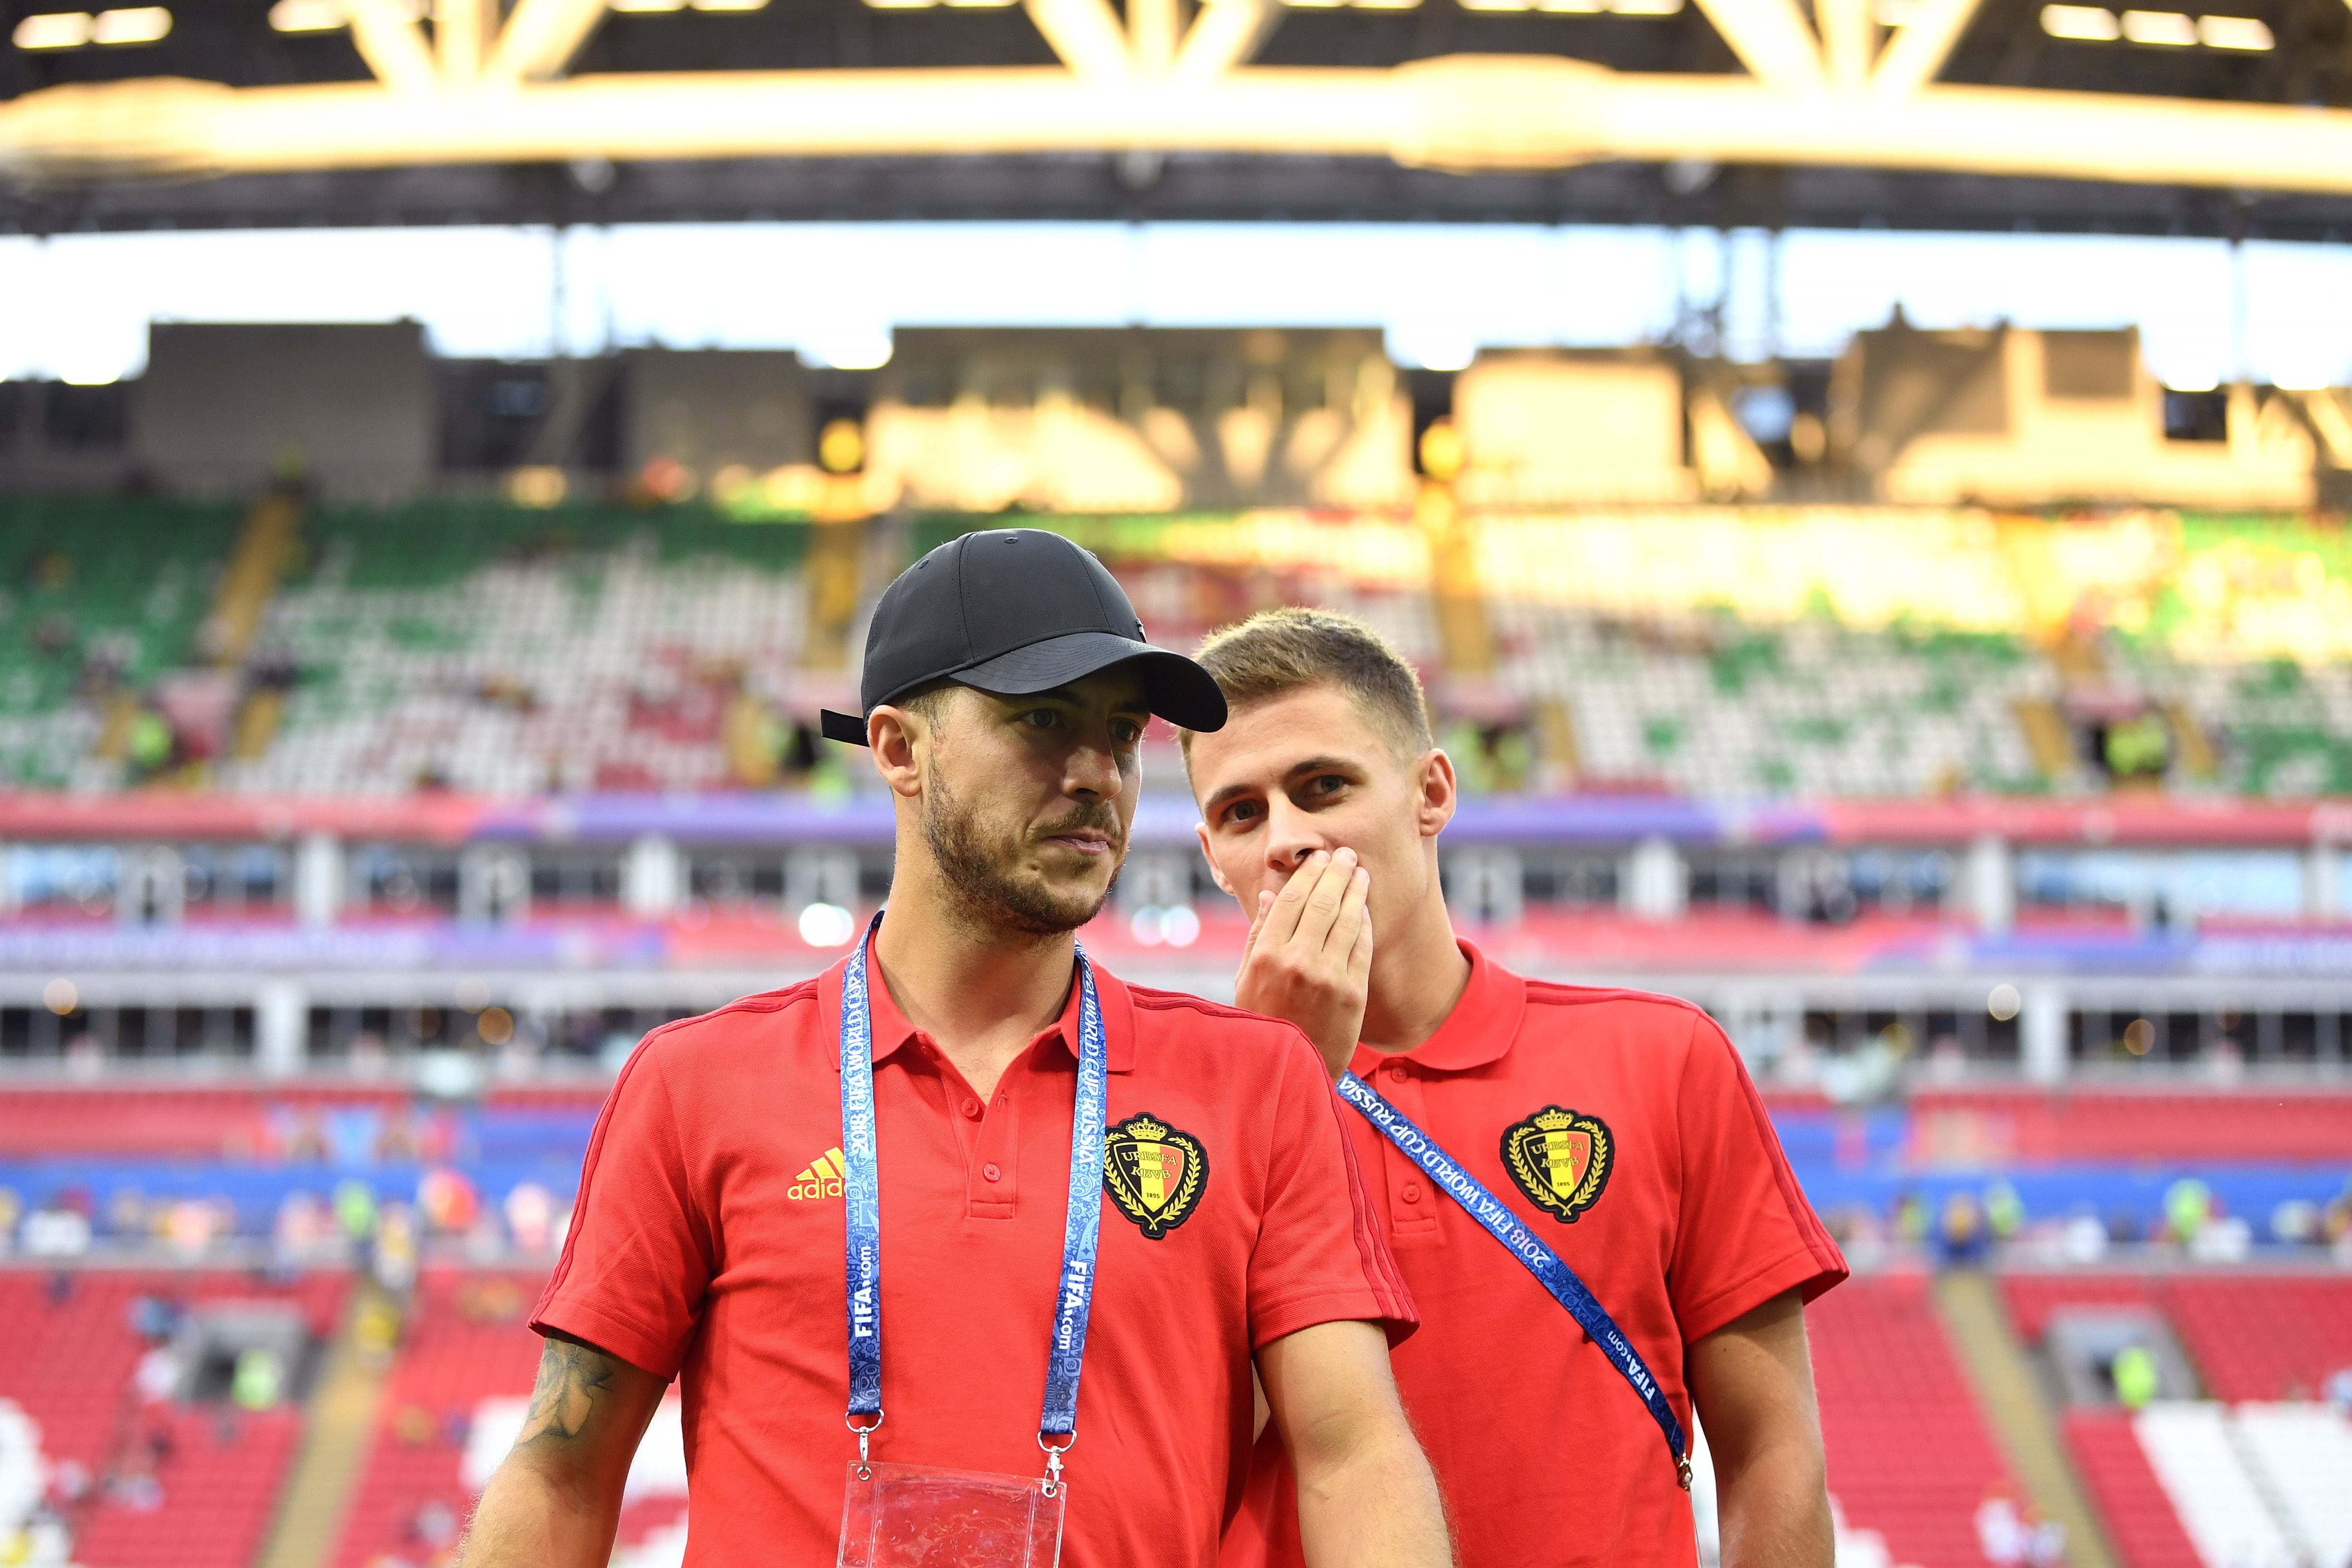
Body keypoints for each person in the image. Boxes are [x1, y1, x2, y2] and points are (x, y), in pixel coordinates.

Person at [460, 533, 1452, 1568]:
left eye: (1121, 733)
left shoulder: (1260, 1080)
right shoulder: (695, 1085)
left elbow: (1353, 1455)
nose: (1094, 774)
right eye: (1041, 721)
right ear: (897, 749)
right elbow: (562, 1473)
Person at [1180, 607, 1849, 1568]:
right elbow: (1189, 1454)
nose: (1286, 838)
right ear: (1212, 854)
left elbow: (1772, 1451)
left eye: (1323, 787)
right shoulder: (1161, 1119)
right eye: (1242, 813)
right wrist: (1281, 1082)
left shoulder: (1663, 1058)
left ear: (1432, 791)